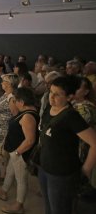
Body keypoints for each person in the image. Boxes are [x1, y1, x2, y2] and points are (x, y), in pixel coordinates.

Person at [38, 76, 96, 214]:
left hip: (61, 174)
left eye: (57, 94)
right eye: (51, 92)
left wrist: (86, 169)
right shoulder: (49, 108)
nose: (51, 97)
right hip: (44, 168)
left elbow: (94, 143)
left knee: (60, 209)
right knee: (48, 207)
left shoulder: (71, 116)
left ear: (70, 97)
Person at [0, 87, 40, 214]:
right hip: (15, 152)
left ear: (21, 102)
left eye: (15, 101)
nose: (14, 103)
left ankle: (19, 205)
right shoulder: (26, 111)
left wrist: (17, 153)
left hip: (21, 153)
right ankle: (4, 191)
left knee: (21, 179)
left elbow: (30, 140)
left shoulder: (28, 116)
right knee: (10, 171)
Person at [0, 73, 19, 185]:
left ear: (9, 83)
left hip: (4, 131)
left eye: (4, 81)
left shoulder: (12, 98)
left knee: (3, 155)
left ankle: (3, 176)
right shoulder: (6, 94)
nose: (1, 83)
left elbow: (15, 116)